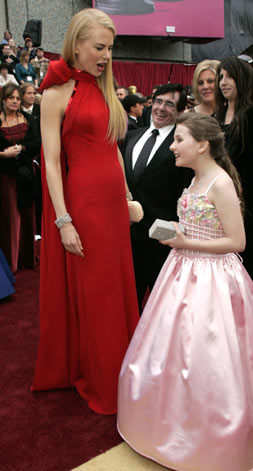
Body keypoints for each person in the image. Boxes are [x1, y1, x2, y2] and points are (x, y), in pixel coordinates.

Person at [118, 113, 253, 471]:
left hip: (212, 278)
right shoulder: (195, 179)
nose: (172, 146)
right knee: (173, 348)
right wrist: (173, 233)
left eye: (179, 139)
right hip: (182, 269)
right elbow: (198, 225)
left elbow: (237, 241)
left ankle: (213, 432)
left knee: (209, 353)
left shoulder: (220, 183)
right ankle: (169, 423)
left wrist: (186, 240)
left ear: (202, 144)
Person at [31, 8, 139, 414]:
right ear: (76, 44)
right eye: (99, 47)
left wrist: (128, 197)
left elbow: (115, 153)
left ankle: (121, 374)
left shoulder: (107, 90)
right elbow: (53, 163)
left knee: (116, 288)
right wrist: (63, 222)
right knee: (98, 295)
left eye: (110, 48)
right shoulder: (57, 93)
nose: (106, 55)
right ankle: (104, 381)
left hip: (113, 206)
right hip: (85, 207)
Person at [122, 83, 193, 312]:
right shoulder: (131, 136)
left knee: (163, 309)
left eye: (170, 104)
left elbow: (186, 193)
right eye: (158, 101)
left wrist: (175, 233)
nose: (161, 108)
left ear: (180, 111)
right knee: (128, 304)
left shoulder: (183, 144)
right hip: (127, 238)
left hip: (163, 241)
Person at [215, 56, 253, 288]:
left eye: (230, 76)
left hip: (244, 206)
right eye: (221, 77)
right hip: (215, 204)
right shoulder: (218, 116)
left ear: (243, 79)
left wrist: (238, 202)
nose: (223, 82)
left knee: (241, 271)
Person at [0, 84, 40, 273]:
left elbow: (36, 142)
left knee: (27, 215)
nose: (15, 101)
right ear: (3, 100)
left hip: (26, 174)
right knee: (10, 218)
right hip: (6, 176)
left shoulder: (28, 118)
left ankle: (27, 257)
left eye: (17, 98)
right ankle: (11, 262)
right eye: (11, 98)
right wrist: (3, 155)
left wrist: (21, 149)